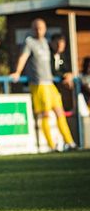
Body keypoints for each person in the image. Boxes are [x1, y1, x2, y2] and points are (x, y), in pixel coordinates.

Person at [11, 19, 76, 151]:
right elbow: (23, 57)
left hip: (50, 83)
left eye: (41, 28)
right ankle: (52, 146)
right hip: (38, 84)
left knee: (60, 112)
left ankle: (70, 142)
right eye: (36, 28)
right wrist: (17, 72)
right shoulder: (29, 42)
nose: (38, 31)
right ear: (32, 29)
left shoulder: (46, 42)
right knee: (45, 114)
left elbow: (56, 59)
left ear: (45, 29)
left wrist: (66, 73)